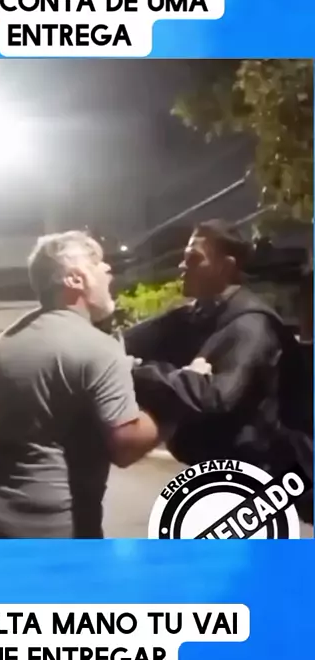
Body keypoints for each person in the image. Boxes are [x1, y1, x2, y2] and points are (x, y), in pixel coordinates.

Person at [0, 231, 164, 539]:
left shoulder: (4, 342)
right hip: (58, 530)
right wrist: (181, 397)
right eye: (97, 262)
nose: (108, 270)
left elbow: (55, 393)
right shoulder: (97, 347)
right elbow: (126, 446)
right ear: (74, 279)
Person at [125, 220, 313, 513]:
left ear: (225, 267)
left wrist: (138, 371)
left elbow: (217, 397)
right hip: (219, 475)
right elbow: (124, 342)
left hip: (255, 482)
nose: (182, 266)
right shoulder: (195, 314)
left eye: (194, 258)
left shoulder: (252, 325)